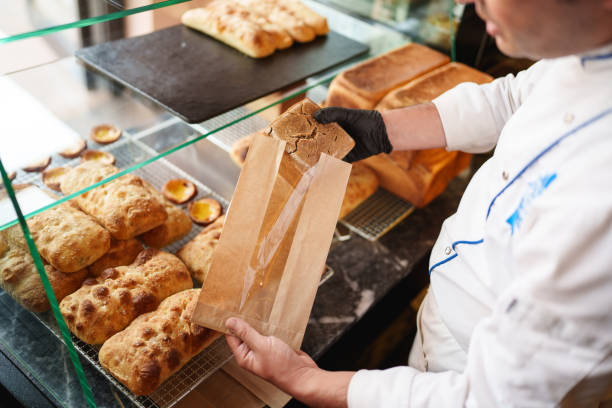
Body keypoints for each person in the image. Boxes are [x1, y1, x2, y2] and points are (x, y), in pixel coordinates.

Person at [224, 0, 612, 406]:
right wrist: (381, 131)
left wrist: (303, 379)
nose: (461, 2)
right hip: (444, 328)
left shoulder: (598, 205)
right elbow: (515, 98)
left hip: (464, 372)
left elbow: (489, 400)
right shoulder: (587, 49)